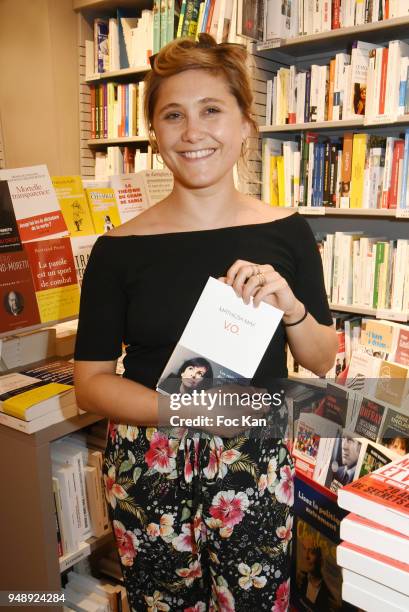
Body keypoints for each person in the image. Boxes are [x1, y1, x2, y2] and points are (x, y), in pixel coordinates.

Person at [74, 34, 338, 611]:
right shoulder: (117, 249)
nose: (193, 133)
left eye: (212, 110)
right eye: (174, 115)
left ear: (246, 123)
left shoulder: (287, 232)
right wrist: (185, 409)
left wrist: (290, 307)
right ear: (155, 132)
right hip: (150, 464)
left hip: (253, 462)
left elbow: (322, 358)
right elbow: (90, 381)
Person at [297, 534, 335, 611]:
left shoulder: (330, 595)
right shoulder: (299, 579)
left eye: (312, 552)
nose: (306, 556)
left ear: (321, 559)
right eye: (304, 549)